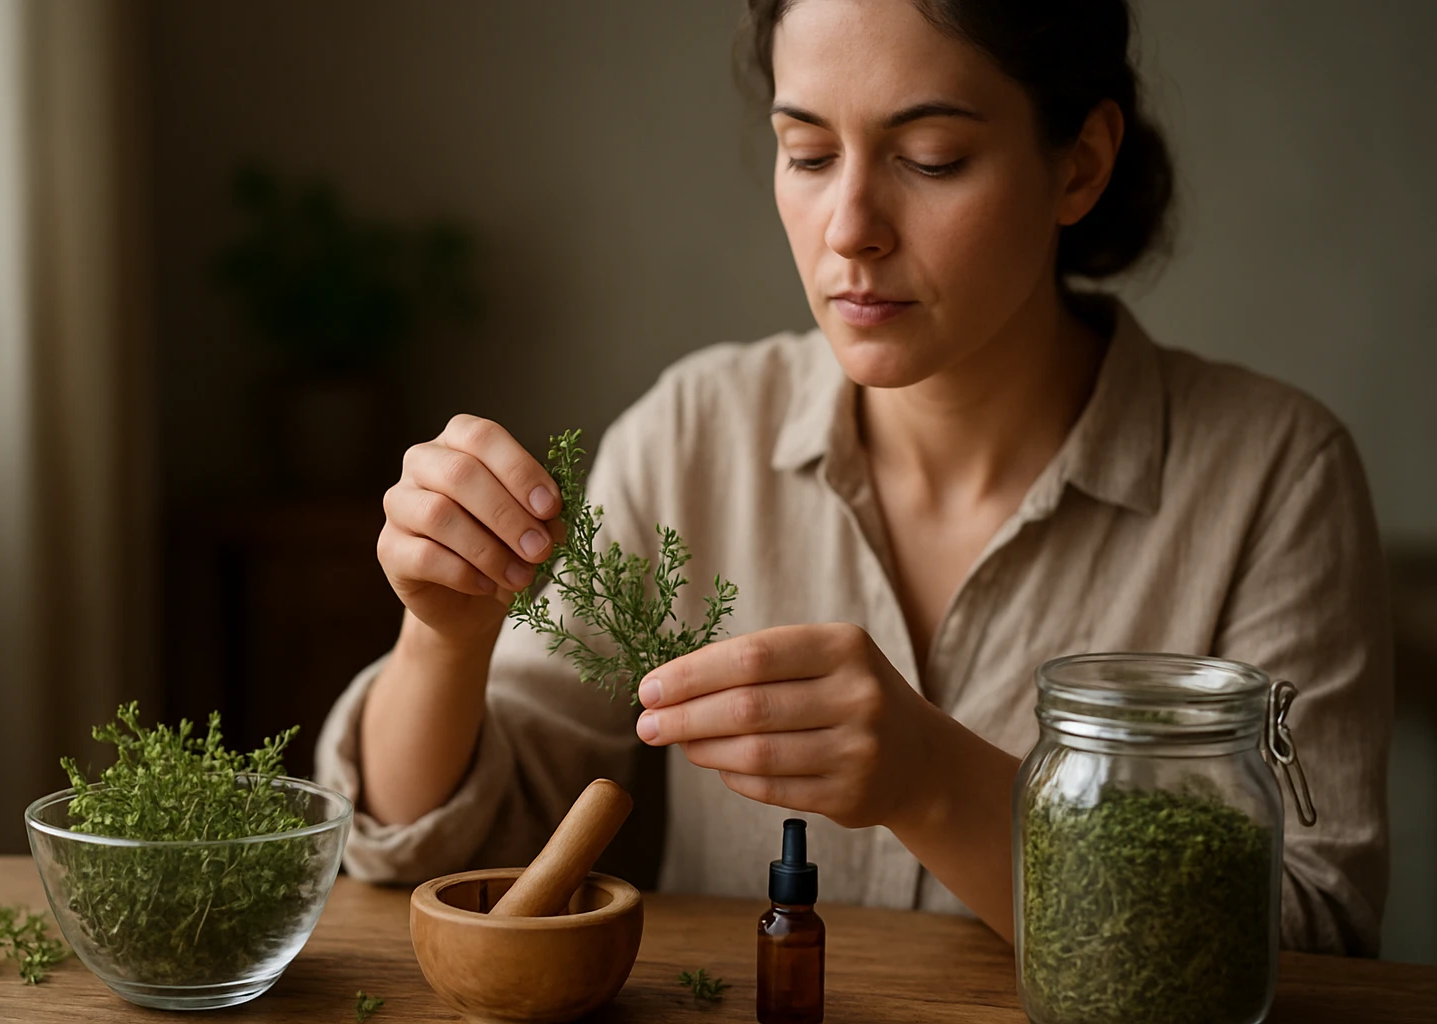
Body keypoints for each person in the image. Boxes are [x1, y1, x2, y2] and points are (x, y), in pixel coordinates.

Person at [316, 0, 1390, 955]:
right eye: (808, 152)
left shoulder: (1274, 479)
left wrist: (936, 781)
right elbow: (435, 862)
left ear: (1079, 164)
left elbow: (1308, 935)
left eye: (928, 157)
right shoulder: (694, 433)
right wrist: (444, 637)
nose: (850, 231)